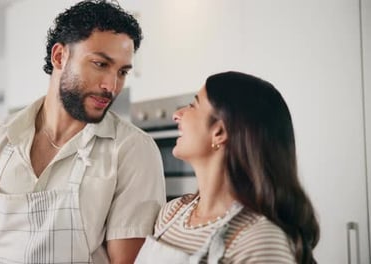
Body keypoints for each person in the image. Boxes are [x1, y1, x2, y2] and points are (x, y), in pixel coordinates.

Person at [0, 1, 166, 263]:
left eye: (122, 71)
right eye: (100, 64)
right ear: (60, 56)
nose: (112, 85)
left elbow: (128, 261)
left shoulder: (133, 149)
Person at [135, 71, 320, 264]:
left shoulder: (259, 241)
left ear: (219, 132)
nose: (176, 115)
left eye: (193, 105)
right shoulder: (171, 214)